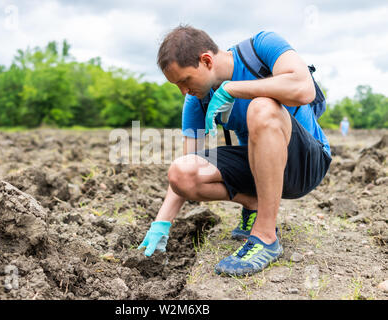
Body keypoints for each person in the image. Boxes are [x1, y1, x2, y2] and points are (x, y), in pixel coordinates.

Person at [138, 25, 332, 277]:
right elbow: (188, 159)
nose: (184, 91)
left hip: (305, 163)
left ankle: (265, 237)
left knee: (262, 107)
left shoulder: (262, 46)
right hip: (259, 167)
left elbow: (303, 88)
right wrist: (161, 223)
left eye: (185, 80)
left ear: (206, 60)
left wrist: (232, 89)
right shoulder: (197, 99)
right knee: (182, 172)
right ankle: (253, 202)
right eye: (177, 85)